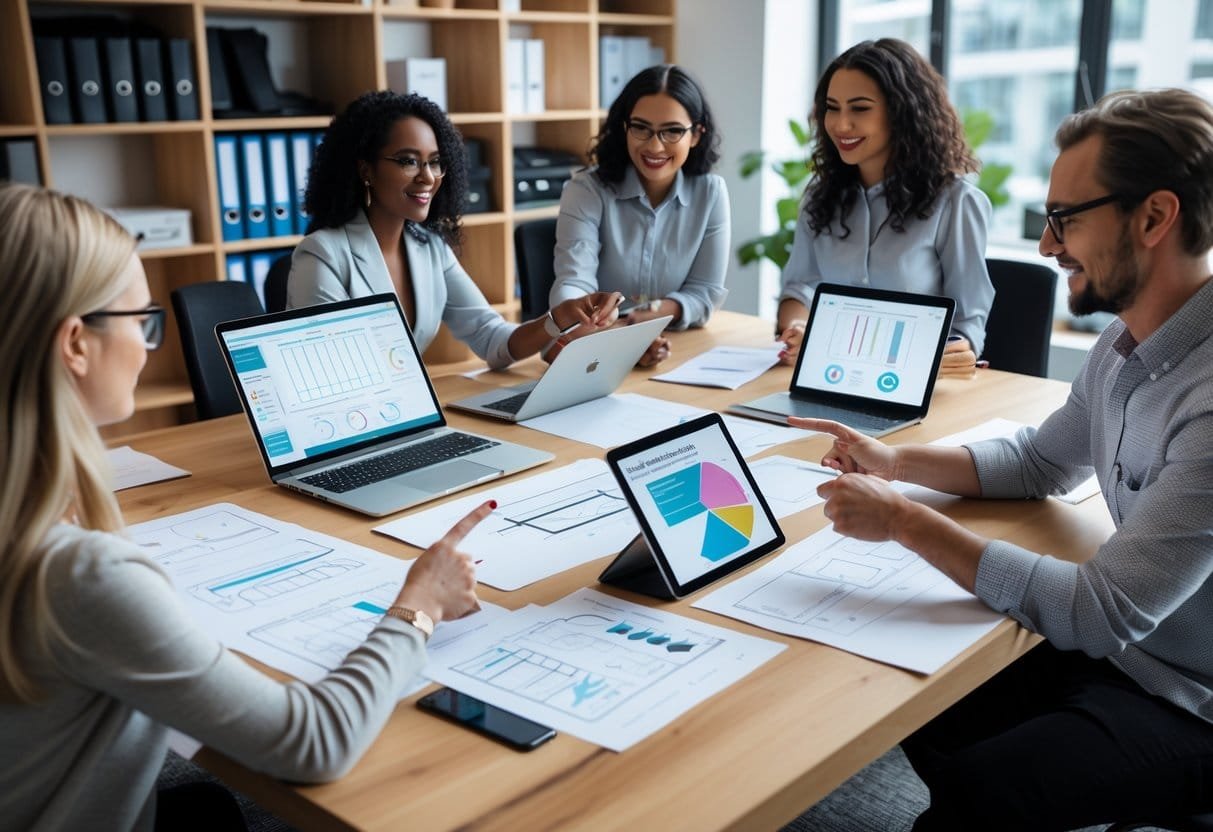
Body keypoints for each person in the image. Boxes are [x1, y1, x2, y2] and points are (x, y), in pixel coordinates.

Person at [0, 183, 498, 830]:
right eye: (141, 321)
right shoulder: (78, 575)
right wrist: (418, 607)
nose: (151, 347)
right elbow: (312, 743)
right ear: (75, 343)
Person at [801, 88, 1213, 829]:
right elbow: (1037, 461)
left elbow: (1101, 611)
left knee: (979, 797)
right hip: (1132, 655)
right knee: (907, 687)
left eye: (1064, 219)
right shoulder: (1125, 347)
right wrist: (894, 461)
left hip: (1191, 696)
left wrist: (904, 523)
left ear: (1153, 217)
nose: (1048, 246)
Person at [289, 91, 619, 368]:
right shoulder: (322, 254)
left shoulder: (429, 248)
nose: (428, 177)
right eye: (408, 161)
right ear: (366, 169)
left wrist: (557, 319)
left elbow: (493, 340)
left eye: (434, 162)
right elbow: (331, 371)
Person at [776, 39, 993, 378]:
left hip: (912, 382)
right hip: (830, 375)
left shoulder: (956, 202)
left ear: (902, 112)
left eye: (860, 109)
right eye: (832, 107)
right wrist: (796, 334)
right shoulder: (820, 196)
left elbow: (965, 326)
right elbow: (800, 286)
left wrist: (955, 353)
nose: (840, 125)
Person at [550, 64, 729, 367]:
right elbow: (573, 283)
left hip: (676, 352)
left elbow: (705, 294)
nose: (655, 145)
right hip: (594, 352)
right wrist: (622, 332)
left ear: (696, 135)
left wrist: (644, 319)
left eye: (672, 131)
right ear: (624, 128)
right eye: (641, 128)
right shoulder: (587, 190)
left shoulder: (710, 193)